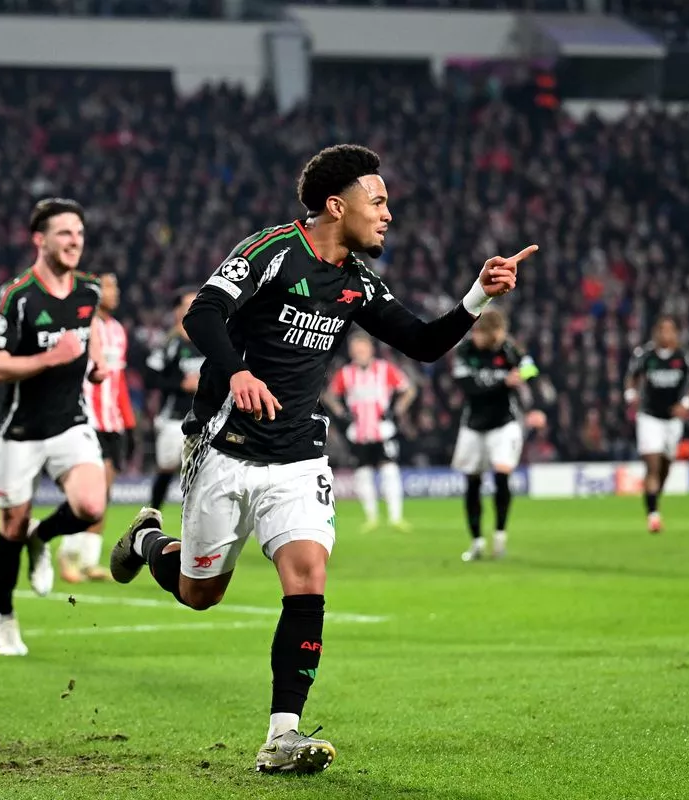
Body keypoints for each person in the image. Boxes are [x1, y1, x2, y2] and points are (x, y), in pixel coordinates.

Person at [108, 144, 535, 773]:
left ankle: (282, 735)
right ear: (337, 206)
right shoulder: (273, 250)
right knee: (201, 594)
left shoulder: (358, 282)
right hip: (223, 447)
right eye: (378, 200)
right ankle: (150, 541)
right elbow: (203, 314)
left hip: (299, 455)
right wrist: (236, 375)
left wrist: (476, 297)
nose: (388, 213)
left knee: (307, 575)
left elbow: (420, 343)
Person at [0, 198, 109, 656]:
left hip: (69, 421)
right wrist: (48, 359)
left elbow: (86, 337)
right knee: (9, 528)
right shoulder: (16, 296)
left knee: (92, 505)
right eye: (64, 233)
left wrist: (94, 364)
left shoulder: (89, 291)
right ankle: (4, 619)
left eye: (79, 232)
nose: (75, 241)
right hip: (19, 428)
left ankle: (44, 536)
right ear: (40, 240)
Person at [450, 309, 546, 562]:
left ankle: (500, 536)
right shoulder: (465, 351)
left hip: (505, 422)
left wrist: (533, 402)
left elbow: (531, 370)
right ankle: (477, 542)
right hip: (473, 424)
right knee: (472, 482)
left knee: (502, 474)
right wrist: (504, 382)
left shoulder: (508, 349)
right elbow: (467, 386)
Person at [57, 272, 134, 583]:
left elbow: (118, 380)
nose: (114, 292)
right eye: (108, 286)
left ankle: (88, 561)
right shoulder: (81, 326)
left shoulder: (117, 330)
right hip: (86, 418)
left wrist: (128, 421)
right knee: (89, 491)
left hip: (112, 421)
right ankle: (67, 555)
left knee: (104, 493)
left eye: (116, 286)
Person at [624, 314, 689, 534]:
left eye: (670, 330)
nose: (665, 334)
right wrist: (631, 394)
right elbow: (631, 376)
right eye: (662, 330)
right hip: (649, 416)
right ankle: (653, 515)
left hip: (673, 419)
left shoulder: (686, 356)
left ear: (676, 333)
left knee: (665, 467)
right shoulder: (645, 355)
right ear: (656, 333)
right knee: (652, 465)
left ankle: (654, 499)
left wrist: (688, 403)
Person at [322, 333, 415, 531]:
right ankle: (371, 517)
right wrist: (342, 413)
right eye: (355, 350)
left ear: (370, 349)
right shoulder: (346, 373)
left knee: (389, 470)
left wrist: (397, 409)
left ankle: (395, 517)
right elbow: (330, 395)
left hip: (382, 430)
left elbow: (408, 389)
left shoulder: (384, 369)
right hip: (359, 432)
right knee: (363, 473)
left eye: (362, 349)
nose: (359, 354)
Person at [144, 288, 203, 510]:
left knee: (201, 472)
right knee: (167, 468)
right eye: (188, 304)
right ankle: (152, 515)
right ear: (177, 311)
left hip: (204, 417)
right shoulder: (169, 343)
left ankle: (196, 522)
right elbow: (150, 377)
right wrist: (180, 384)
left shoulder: (210, 339)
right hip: (174, 418)